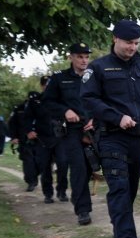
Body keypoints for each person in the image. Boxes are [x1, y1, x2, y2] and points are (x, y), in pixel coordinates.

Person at [81, 19, 140, 238]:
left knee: (131, 187)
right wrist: (117, 117)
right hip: (111, 137)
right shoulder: (99, 68)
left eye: (137, 43)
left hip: (139, 139)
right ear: (115, 39)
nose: (133, 47)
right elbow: (88, 99)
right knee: (119, 187)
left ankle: (120, 221)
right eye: (129, 42)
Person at [43, 43, 95, 225]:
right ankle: (83, 209)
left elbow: (105, 101)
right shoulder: (59, 79)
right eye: (80, 56)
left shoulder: (95, 77)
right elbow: (47, 102)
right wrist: (65, 111)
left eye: (86, 57)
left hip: (93, 130)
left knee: (91, 168)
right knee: (79, 167)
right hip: (71, 131)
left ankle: (78, 196)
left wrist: (95, 118)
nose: (84, 60)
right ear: (71, 57)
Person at [25, 76, 68, 204]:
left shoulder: (61, 99)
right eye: (45, 85)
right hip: (42, 138)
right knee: (45, 167)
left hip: (60, 136)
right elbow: (26, 118)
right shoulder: (36, 101)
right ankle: (48, 194)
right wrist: (29, 131)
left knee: (63, 164)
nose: (47, 87)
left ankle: (62, 191)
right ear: (42, 86)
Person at [8, 91, 40, 191]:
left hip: (40, 139)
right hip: (24, 139)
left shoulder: (42, 107)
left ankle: (32, 177)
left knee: (40, 161)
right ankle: (31, 181)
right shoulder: (19, 109)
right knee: (28, 160)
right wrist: (14, 137)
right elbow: (12, 124)